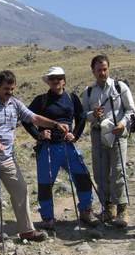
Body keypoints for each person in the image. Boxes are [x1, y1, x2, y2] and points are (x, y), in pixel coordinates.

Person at [0, 70, 70, 243]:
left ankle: (26, 230)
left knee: (21, 189)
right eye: (5, 89)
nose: (9, 92)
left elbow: (34, 118)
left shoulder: (15, 104)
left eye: (11, 89)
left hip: (8, 157)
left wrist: (55, 124)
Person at [22, 67, 98, 230]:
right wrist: (38, 135)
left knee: (83, 177)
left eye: (59, 78)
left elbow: (81, 117)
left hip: (68, 146)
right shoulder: (40, 100)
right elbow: (26, 119)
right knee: (45, 184)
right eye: (52, 78)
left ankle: (86, 211)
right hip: (47, 148)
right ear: (48, 81)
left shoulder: (72, 98)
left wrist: (75, 136)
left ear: (64, 80)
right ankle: (47, 218)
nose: (55, 81)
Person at [81, 55, 135, 228]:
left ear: (108, 69)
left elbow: (131, 111)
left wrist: (122, 123)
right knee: (100, 173)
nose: (102, 73)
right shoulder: (89, 92)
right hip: (98, 135)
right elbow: (83, 115)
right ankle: (107, 207)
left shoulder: (120, 87)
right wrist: (92, 115)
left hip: (117, 133)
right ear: (93, 71)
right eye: (99, 70)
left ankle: (122, 209)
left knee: (118, 172)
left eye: (105, 69)